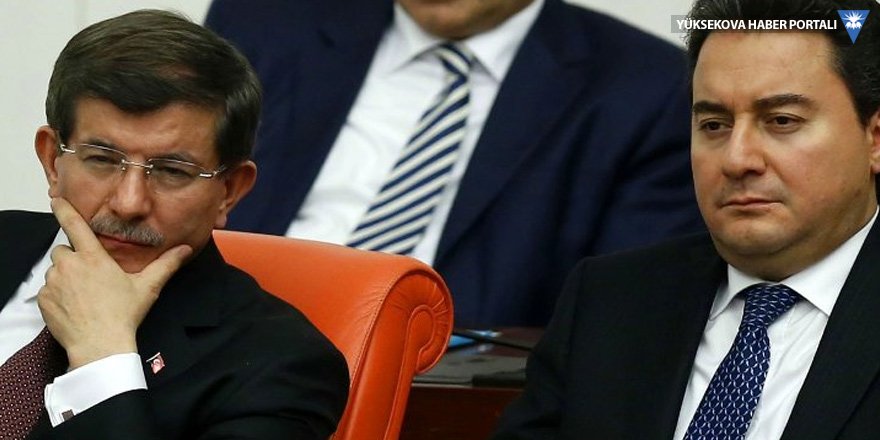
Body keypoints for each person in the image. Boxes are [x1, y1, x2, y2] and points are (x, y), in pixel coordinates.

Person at [491, 0, 880, 438]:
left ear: (874, 139)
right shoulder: (609, 300)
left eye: (781, 121)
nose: (737, 159)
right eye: (714, 125)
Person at [204, 0, 704, 327]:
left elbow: (622, 317)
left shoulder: (647, 88)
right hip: (223, 342)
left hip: (445, 388)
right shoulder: (264, 22)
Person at [0, 10, 348, 439]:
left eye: (171, 171)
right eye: (103, 160)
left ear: (230, 190)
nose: (129, 203)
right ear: (53, 161)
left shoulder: (279, 367)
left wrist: (102, 355)